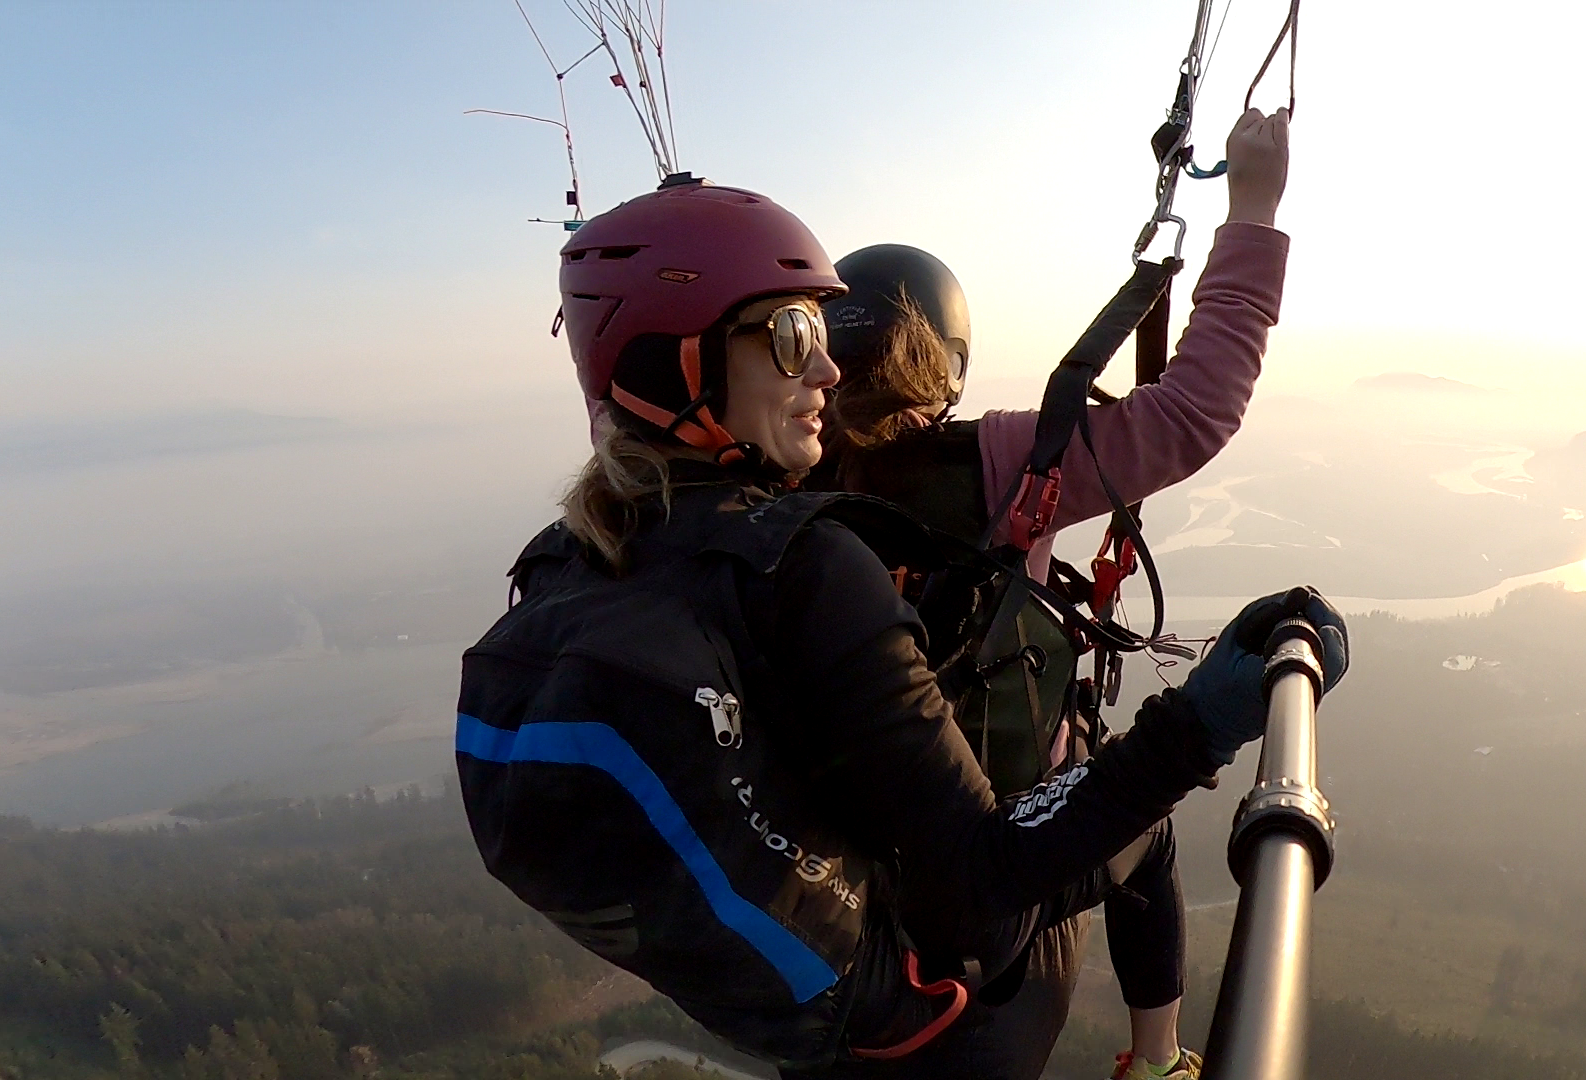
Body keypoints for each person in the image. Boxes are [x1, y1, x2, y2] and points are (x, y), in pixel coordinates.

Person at [455, 174, 1348, 1080]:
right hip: (948, 973)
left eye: (823, 333)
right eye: (791, 335)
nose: (825, 370)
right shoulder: (823, 553)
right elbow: (978, 885)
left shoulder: (589, 548)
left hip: (824, 980)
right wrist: (1200, 720)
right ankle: (1158, 1062)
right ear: (684, 363)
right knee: (1143, 831)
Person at [809, 108, 1292, 1079]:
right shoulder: (991, 466)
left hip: (846, 902)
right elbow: (1197, 408)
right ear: (939, 361)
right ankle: (1157, 1063)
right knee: (1142, 832)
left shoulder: (773, 505)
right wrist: (1253, 206)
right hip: (1009, 867)